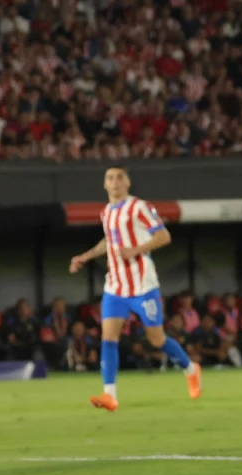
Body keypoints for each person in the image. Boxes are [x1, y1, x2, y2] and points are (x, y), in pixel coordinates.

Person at [69, 167, 201, 411]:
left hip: (142, 286)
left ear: (128, 182)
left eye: (120, 177)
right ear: (104, 184)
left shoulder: (139, 207)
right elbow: (109, 241)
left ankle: (191, 370)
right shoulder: (106, 212)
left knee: (157, 339)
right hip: (115, 286)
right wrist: (85, 256)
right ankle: (110, 395)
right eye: (110, 178)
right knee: (108, 337)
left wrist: (135, 250)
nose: (115, 182)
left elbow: (164, 236)